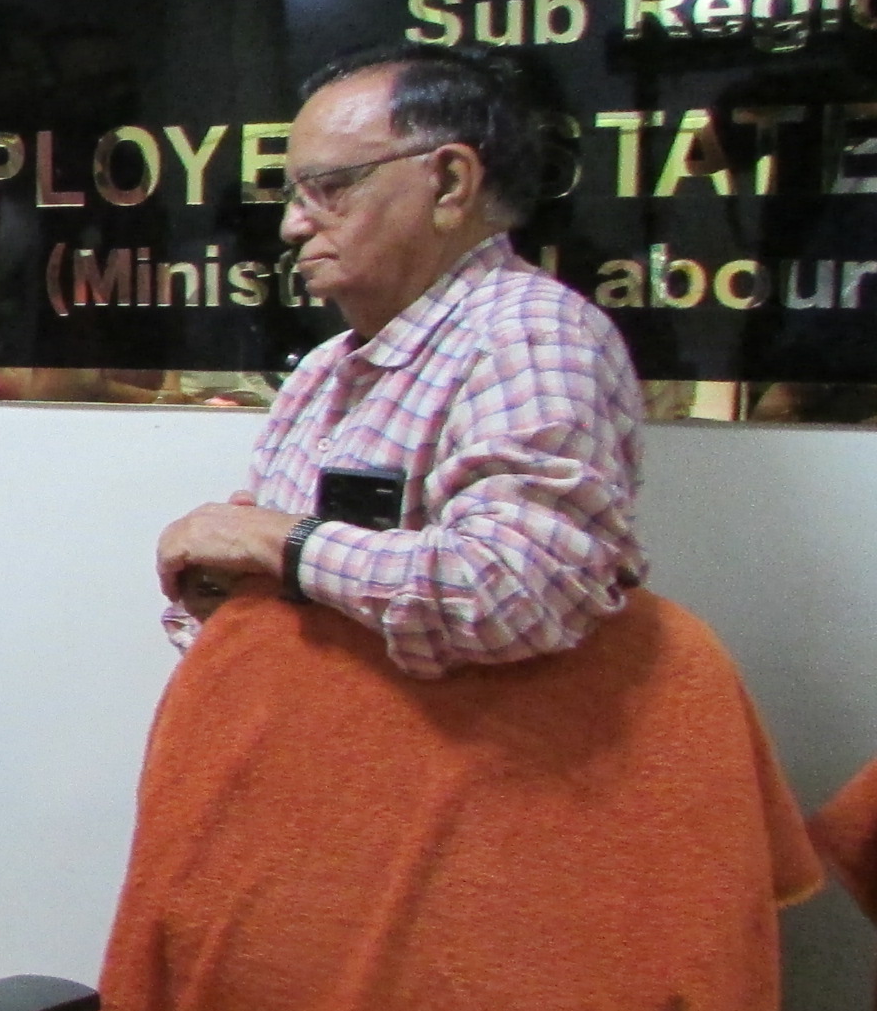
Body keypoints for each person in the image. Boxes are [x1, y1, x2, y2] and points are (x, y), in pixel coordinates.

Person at [154, 42, 642, 675]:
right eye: (293, 195)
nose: (292, 226)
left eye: (329, 188)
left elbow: (520, 590)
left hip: (458, 739)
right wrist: (222, 587)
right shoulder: (322, 369)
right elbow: (284, 592)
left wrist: (283, 542)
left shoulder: (529, 333)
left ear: (449, 182)